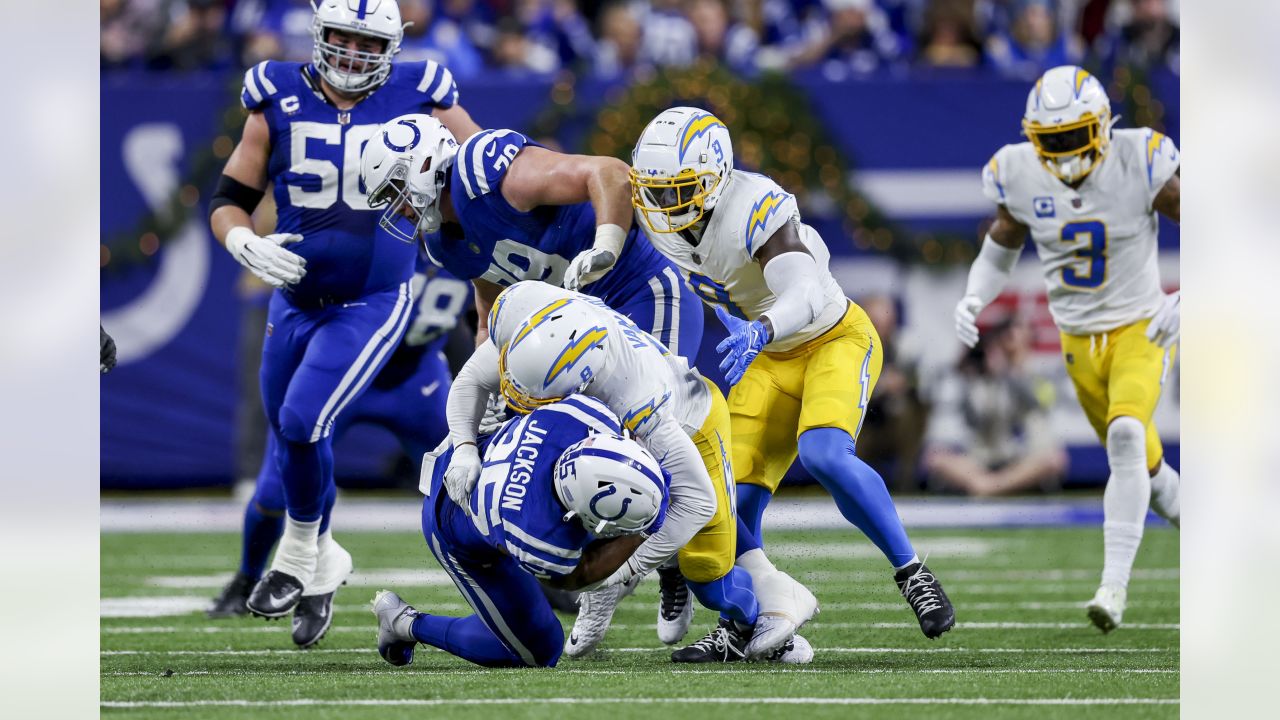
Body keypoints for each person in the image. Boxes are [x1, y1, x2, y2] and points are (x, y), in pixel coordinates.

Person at [207, 0, 482, 636]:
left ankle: (301, 553)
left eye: (368, 43)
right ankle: (324, 559)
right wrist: (242, 240)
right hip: (295, 302)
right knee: (292, 438)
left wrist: (446, 204)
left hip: (374, 299)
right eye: (342, 38)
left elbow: (488, 169)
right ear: (319, 35)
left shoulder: (422, 91)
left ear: (391, 47)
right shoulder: (275, 92)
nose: (353, 54)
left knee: (304, 421)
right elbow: (230, 198)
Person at [629, 106, 956, 640]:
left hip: (832, 338)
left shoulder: (753, 206)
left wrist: (761, 329)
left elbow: (803, 290)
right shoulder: (660, 217)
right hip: (769, 360)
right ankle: (751, 615)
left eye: (678, 189)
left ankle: (911, 570)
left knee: (823, 452)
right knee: (719, 495)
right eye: (658, 190)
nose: (665, 203)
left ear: (715, 179)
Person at [441, 281, 817, 663]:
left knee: (705, 571)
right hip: (617, 428)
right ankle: (646, 575)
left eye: (540, 398)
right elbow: (471, 380)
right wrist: (464, 449)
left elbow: (695, 502)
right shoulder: (525, 308)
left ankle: (747, 620)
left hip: (693, 424)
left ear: (582, 383)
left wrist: (627, 569)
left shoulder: (637, 397)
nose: (520, 402)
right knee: (573, 491)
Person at [955, 65, 1181, 632]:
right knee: (1146, 470)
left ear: (1103, 127)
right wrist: (975, 295)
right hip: (1077, 342)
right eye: (1051, 142)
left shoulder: (1141, 159)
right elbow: (1002, 242)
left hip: (1140, 328)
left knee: (1127, 437)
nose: (1063, 152)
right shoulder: (1019, 171)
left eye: (1073, 137)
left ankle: (1113, 588)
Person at [373, 395, 811, 668]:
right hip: (454, 520)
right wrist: (648, 532)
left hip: (478, 452)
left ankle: (693, 580)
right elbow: (577, 577)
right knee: (534, 652)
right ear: (575, 515)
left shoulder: (578, 416)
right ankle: (405, 624)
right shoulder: (540, 534)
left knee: (674, 493)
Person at [205, 261, 472, 648]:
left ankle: (530, 578)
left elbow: (475, 320)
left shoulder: (470, 241)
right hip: (347, 374)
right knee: (275, 490)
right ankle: (249, 578)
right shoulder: (381, 239)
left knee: (468, 485)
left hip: (418, 382)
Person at [361, 113, 704, 362]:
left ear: (423, 164)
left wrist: (606, 247)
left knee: (651, 423)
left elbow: (611, 172)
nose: (399, 208)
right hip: (580, 327)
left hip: (640, 289)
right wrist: (484, 385)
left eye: (397, 190)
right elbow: (492, 317)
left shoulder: (484, 173)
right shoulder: (443, 242)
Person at [924, 316, 1068, 496]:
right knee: (936, 459)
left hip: (1013, 456)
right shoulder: (976, 382)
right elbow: (972, 420)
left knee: (1054, 459)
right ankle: (995, 486)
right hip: (979, 458)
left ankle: (988, 487)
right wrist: (969, 371)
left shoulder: (1026, 375)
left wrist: (1009, 372)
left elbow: (1038, 405)